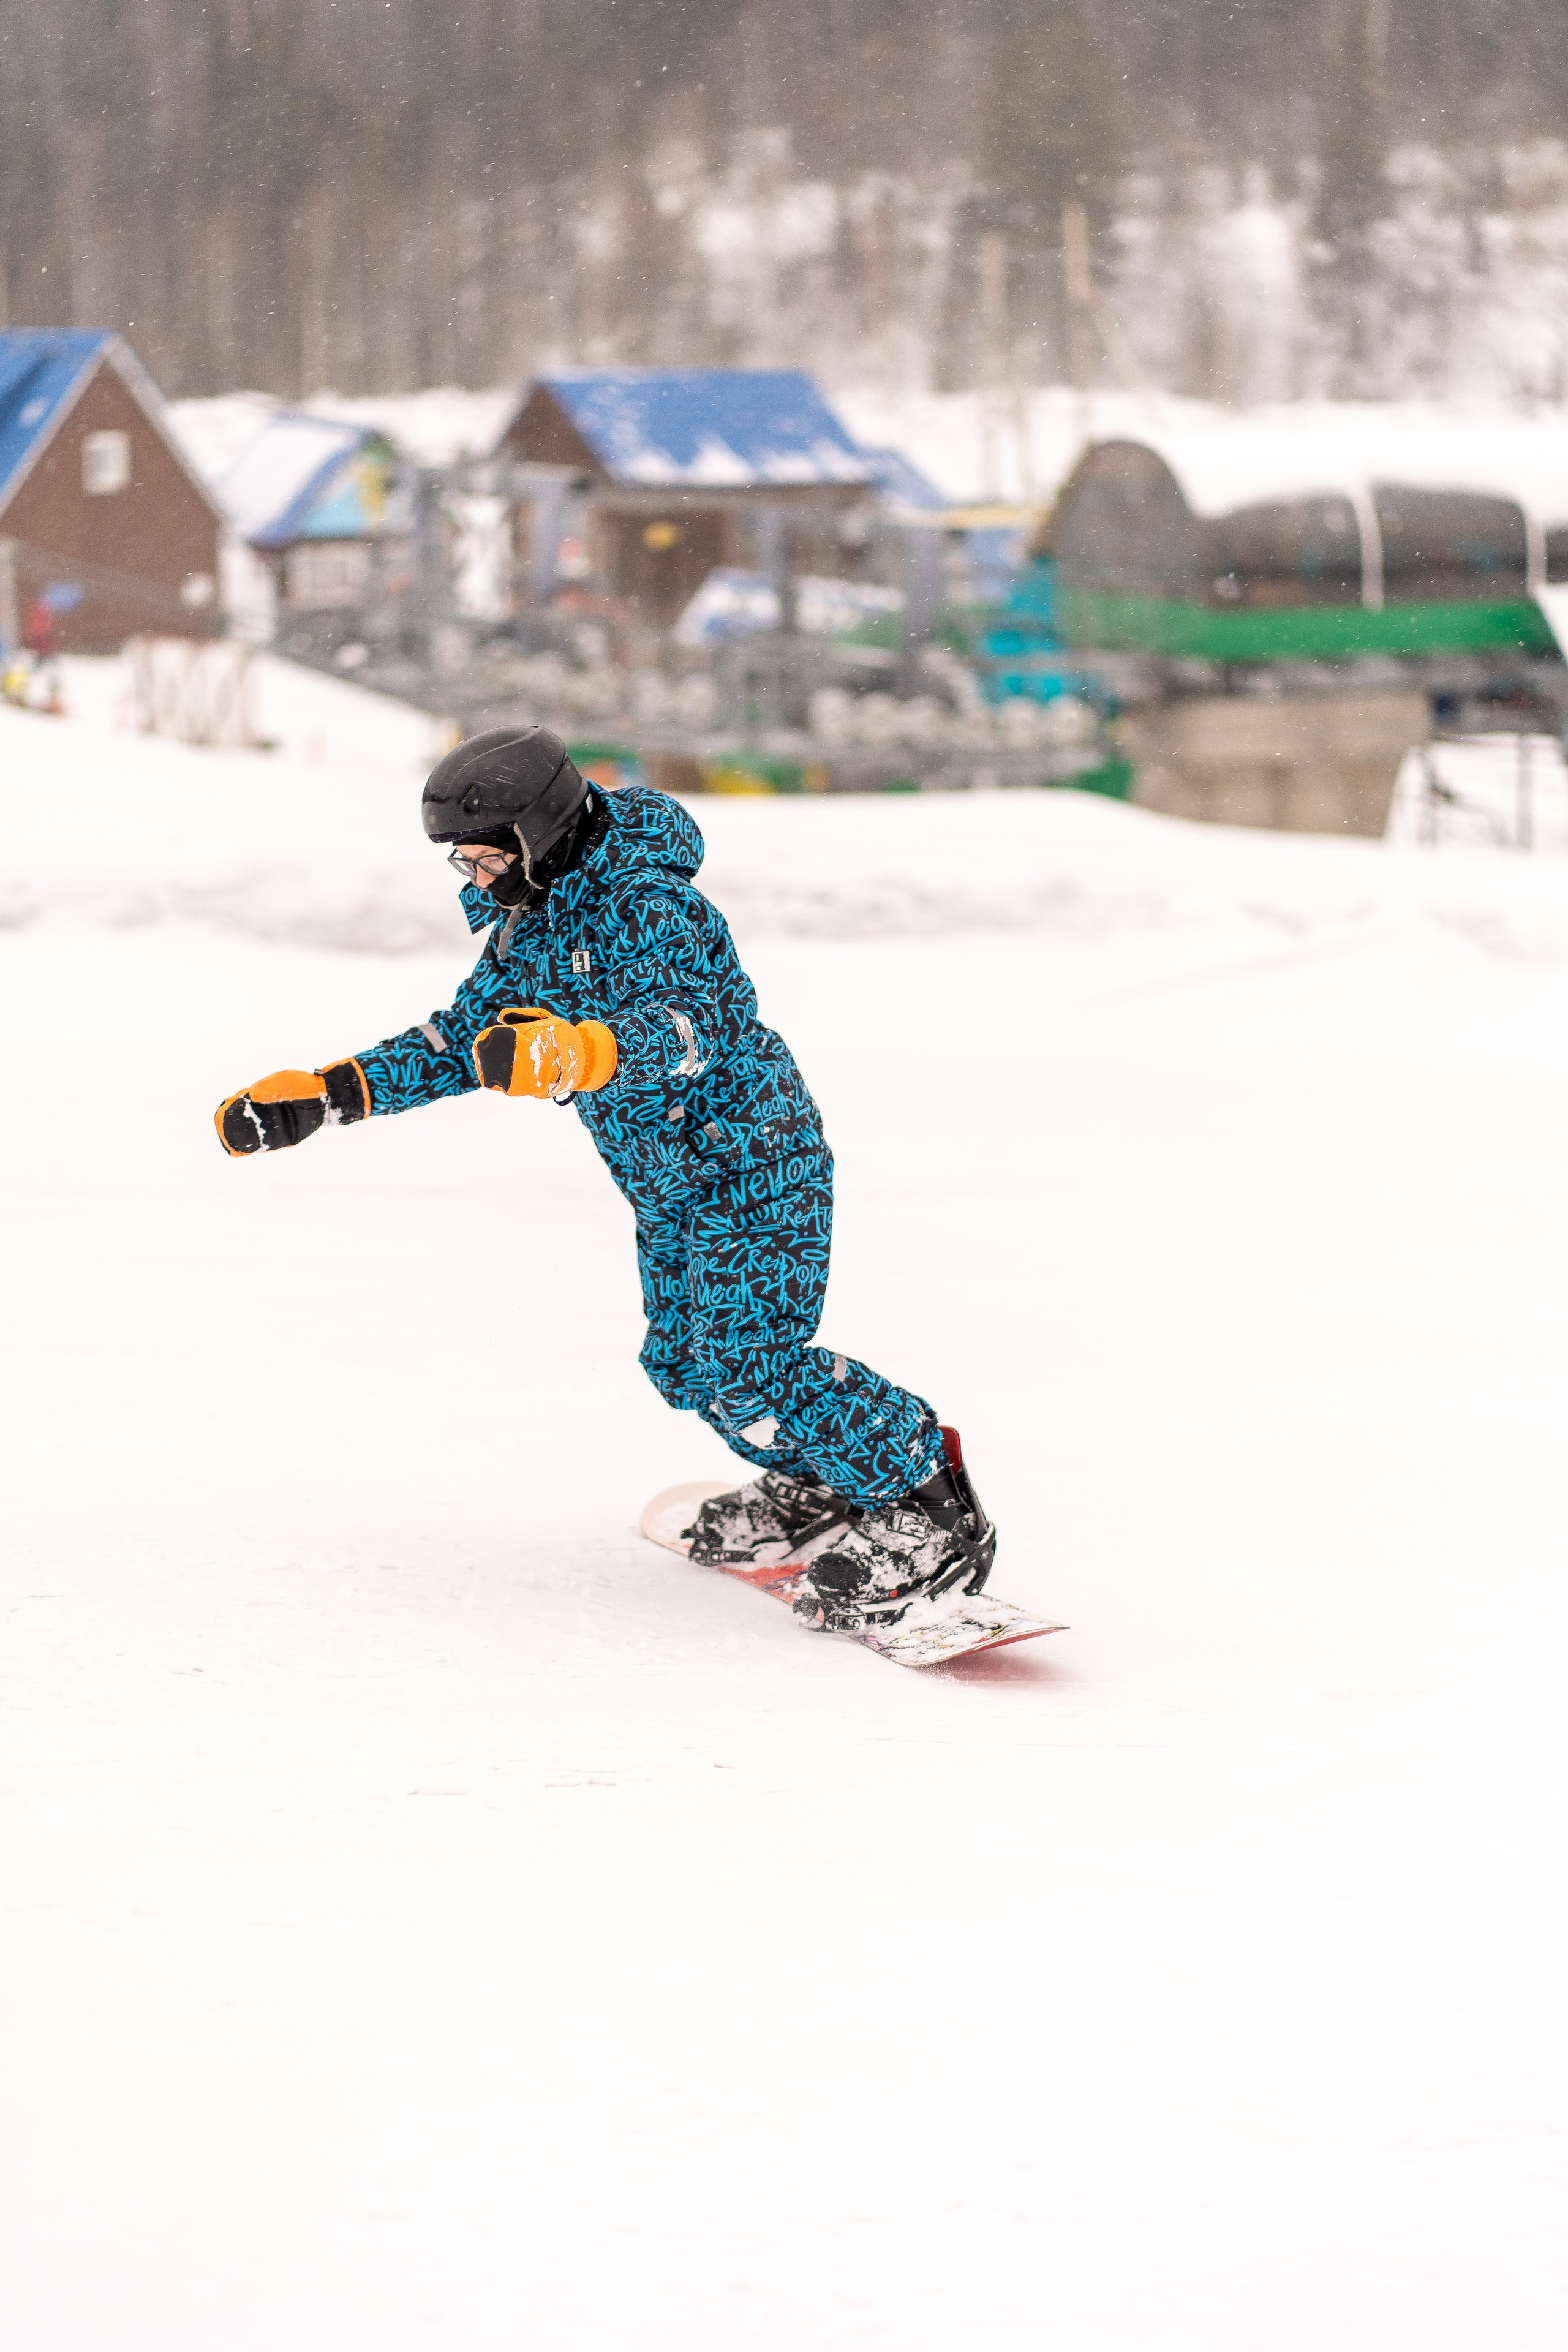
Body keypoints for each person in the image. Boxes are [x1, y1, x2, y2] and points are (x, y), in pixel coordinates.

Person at [216, 726, 994, 1635]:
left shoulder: (651, 902)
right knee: (684, 1366)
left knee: (753, 1363)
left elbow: (698, 1024)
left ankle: (929, 1507)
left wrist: (585, 1048)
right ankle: (822, 1483)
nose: (472, 878)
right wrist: (329, 1094)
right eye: (459, 863)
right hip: (668, 1183)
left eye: (480, 856)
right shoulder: (529, 924)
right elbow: (461, 1043)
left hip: (751, 1160)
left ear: (538, 832)